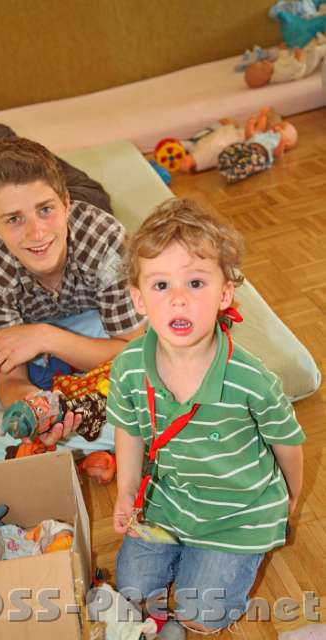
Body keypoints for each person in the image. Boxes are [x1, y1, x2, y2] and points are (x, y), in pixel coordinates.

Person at [106, 198, 305, 638]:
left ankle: (214, 565)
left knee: (203, 614)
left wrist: (290, 497)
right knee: (133, 592)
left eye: (196, 282)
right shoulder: (128, 367)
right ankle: (185, 560)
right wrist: (126, 491)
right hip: (166, 501)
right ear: (139, 299)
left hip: (238, 514)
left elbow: (287, 441)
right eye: (161, 285)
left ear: (225, 294)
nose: (178, 299)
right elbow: (130, 430)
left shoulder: (251, 379)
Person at [0, 118, 144, 450]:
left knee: (37, 159)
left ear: (65, 205)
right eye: (14, 219)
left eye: (46, 210)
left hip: (87, 196)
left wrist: (44, 336)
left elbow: (134, 350)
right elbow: (12, 379)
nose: (37, 233)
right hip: (13, 225)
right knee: (1, 157)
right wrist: (37, 407)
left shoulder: (106, 240)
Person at [217, 120, 298, 183]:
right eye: (278, 125)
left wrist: (282, 142)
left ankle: (234, 173)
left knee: (249, 163)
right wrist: (250, 125)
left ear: (287, 143)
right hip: (246, 147)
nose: (276, 127)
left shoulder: (277, 142)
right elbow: (249, 137)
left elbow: (277, 154)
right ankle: (224, 161)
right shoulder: (264, 134)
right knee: (235, 147)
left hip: (259, 156)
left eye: (282, 129)